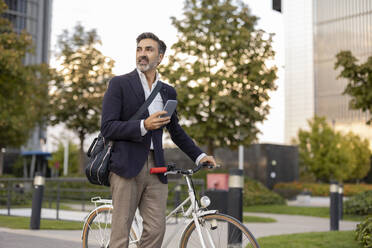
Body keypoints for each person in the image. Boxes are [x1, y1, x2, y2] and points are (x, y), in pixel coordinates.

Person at [100, 32, 216, 248]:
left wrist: (199, 156)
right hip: (126, 166)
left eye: (148, 50)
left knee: (156, 229)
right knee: (120, 232)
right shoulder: (119, 84)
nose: (142, 54)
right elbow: (107, 127)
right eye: (139, 49)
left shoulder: (167, 91)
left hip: (157, 168)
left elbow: (176, 131)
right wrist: (143, 125)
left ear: (160, 57)